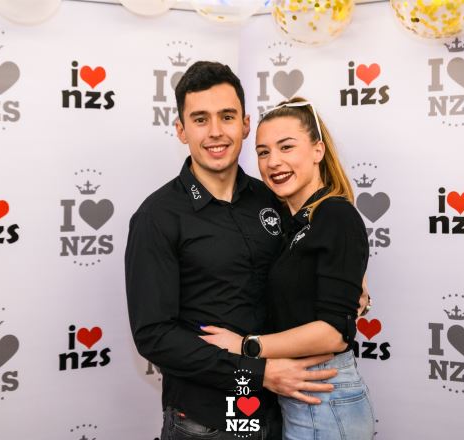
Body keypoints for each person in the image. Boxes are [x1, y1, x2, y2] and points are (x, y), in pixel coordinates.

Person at [125, 62, 347, 440]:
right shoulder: (157, 217)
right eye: (200, 119)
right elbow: (154, 335)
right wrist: (259, 373)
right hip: (207, 423)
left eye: (227, 117)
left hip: (287, 413)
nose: (216, 131)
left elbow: (313, 265)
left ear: (244, 124)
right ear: (181, 130)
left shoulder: (274, 198)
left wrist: (354, 286)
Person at [200, 97, 375, 440]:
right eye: (263, 152)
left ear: (317, 150)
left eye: (286, 147)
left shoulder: (335, 215)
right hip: (299, 398)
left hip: (324, 397)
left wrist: (246, 346)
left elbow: (334, 334)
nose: (273, 162)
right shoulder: (290, 221)